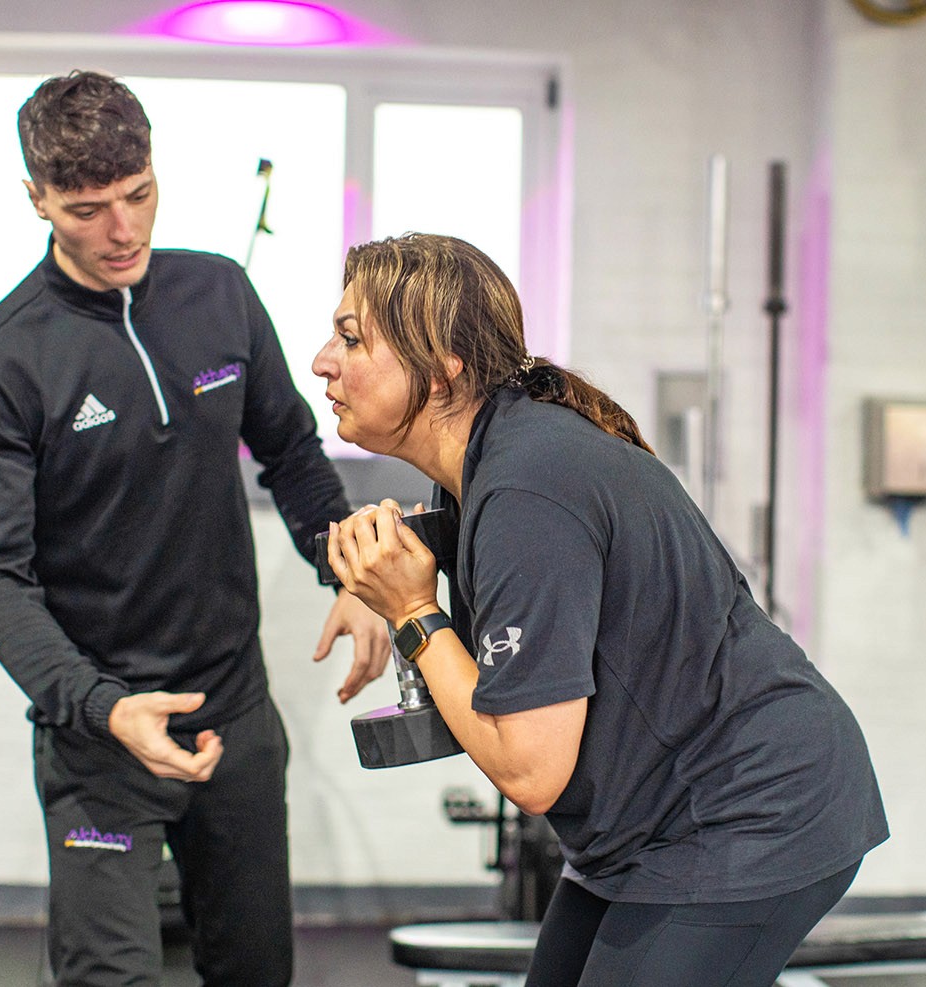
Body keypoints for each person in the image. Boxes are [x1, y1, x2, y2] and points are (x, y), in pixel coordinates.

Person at [315, 233, 889, 987]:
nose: (324, 359)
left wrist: (415, 611)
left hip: (751, 810)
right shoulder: (486, 469)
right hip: (644, 828)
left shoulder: (528, 484)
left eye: (351, 338)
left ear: (443, 361)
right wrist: (378, 586)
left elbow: (530, 770)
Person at [0, 70, 389, 987]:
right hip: (101, 736)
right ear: (38, 201)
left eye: (138, 194)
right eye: (87, 208)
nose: (122, 231)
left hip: (235, 714)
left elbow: (295, 456)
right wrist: (100, 704)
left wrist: (352, 573)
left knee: (256, 972)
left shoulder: (216, 295)